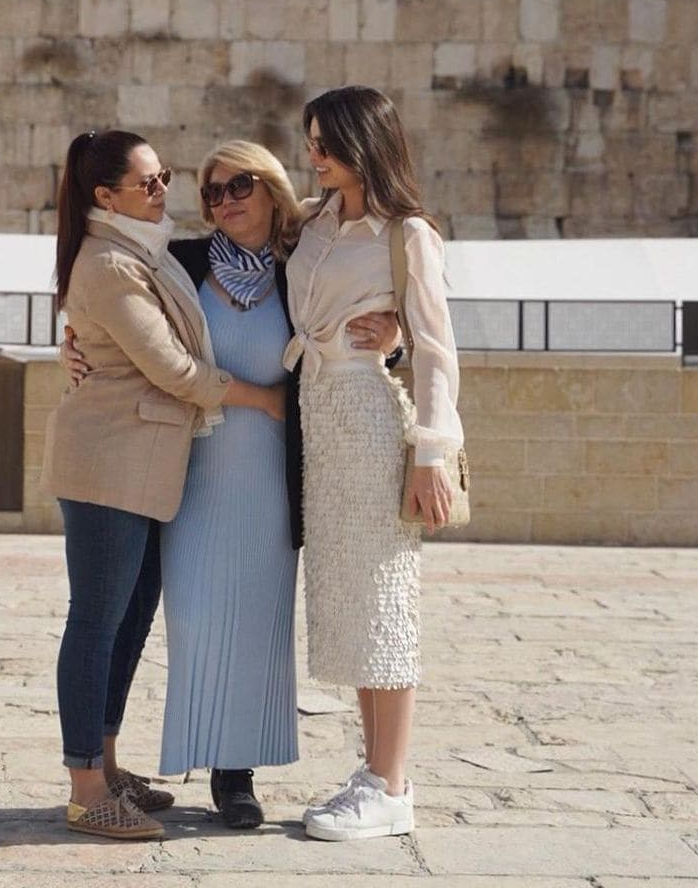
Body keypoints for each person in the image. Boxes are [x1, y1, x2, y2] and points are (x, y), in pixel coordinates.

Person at [59, 140, 401, 829]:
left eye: (239, 185)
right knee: (184, 618)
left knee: (258, 619)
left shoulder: (301, 263)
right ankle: (128, 767)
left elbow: (366, 303)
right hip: (185, 467)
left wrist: (394, 333)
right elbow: (126, 332)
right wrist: (71, 345)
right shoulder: (176, 261)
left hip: (272, 469)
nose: (224, 201)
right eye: (212, 192)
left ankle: (234, 774)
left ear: (270, 187)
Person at [42, 129, 285, 841]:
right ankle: (88, 788)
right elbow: (173, 370)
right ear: (104, 195)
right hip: (110, 459)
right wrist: (265, 400)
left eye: (164, 176)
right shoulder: (112, 263)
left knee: (126, 618)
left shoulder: (139, 252)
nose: (164, 189)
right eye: (148, 181)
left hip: (144, 465)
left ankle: (108, 765)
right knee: (95, 622)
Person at [283, 86, 464, 842]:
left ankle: (392, 783)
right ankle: (374, 772)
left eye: (326, 142)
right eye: (311, 141)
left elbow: (436, 351)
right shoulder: (312, 223)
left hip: (368, 417)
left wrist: (430, 454)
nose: (313, 154)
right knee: (354, 605)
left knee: (386, 600)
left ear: (365, 143)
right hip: (316, 418)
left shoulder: (408, 234)